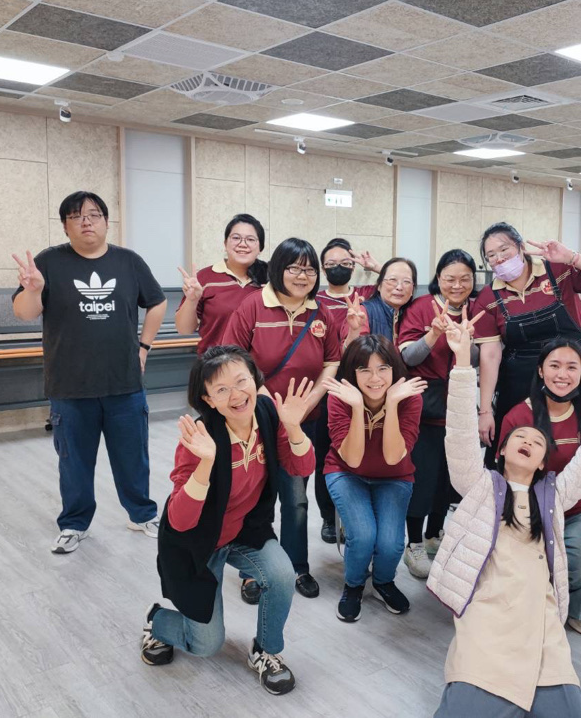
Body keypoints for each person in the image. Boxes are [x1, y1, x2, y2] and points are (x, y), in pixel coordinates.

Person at [427, 315, 581, 717]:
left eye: (537, 442)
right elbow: (460, 435)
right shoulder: (478, 485)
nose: (528, 440)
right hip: (488, 608)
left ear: (542, 463)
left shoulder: (553, 495)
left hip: (539, 611)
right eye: (520, 436)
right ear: (500, 451)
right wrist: (463, 362)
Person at [141, 346, 314, 696]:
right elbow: (180, 520)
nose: (236, 395)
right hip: (198, 545)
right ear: (208, 399)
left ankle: (265, 651)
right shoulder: (201, 437)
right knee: (206, 645)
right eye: (221, 389)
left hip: (245, 530)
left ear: (255, 380)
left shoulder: (267, 412)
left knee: (282, 574)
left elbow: (301, 467)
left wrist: (294, 427)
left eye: (241, 381)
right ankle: (157, 621)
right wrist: (206, 463)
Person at [12, 191, 167, 555]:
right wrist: (34, 289)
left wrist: (144, 347)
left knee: (133, 457)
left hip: (124, 382)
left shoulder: (128, 262)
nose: (86, 221)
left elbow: (157, 303)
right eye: (76, 216)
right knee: (74, 462)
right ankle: (74, 523)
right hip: (69, 386)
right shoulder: (49, 262)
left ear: (106, 222)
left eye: (94, 214)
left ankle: (142, 514)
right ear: (65, 225)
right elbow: (24, 312)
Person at [221, 238, 342, 602]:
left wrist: (307, 405)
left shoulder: (321, 312)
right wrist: (264, 403)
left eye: (309, 269)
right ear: (278, 269)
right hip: (255, 421)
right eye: (294, 268)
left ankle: (296, 566)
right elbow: (232, 360)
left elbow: (332, 362)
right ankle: (251, 571)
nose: (302, 276)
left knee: (296, 498)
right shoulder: (253, 306)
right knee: (254, 497)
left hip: (304, 422)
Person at [472, 223, 581, 463]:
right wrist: (485, 410)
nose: (499, 258)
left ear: (521, 247)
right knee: (517, 452)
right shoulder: (488, 298)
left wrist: (572, 257)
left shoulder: (556, 271)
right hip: (520, 382)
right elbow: (490, 356)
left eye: (504, 249)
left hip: (573, 375)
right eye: (491, 255)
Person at [500, 338, 581, 636]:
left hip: (576, 513)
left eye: (571, 367)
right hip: (529, 514)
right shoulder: (518, 416)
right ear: (541, 370)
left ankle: (577, 607)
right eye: (554, 366)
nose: (562, 375)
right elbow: (505, 479)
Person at [322, 335, 425, 622]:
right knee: (363, 535)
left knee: (391, 543)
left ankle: (383, 582)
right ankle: (354, 585)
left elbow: (393, 457)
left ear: (394, 369)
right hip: (346, 473)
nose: (375, 378)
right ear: (352, 373)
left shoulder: (409, 398)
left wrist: (391, 404)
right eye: (364, 370)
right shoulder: (340, 397)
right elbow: (353, 459)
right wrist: (357, 407)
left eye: (383, 368)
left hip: (394, 475)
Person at [396, 249, 482, 579]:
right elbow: (409, 358)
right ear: (438, 278)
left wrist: (467, 342)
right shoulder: (421, 307)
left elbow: (480, 359)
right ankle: (414, 543)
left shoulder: (477, 310)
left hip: (459, 409)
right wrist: (433, 333)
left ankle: (435, 535)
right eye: (450, 278)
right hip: (425, 411)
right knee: (423, 479)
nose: (457, 285)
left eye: (464, 279)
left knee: (449, 480)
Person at [312, 237, 380, 544]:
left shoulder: (365, 294)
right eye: (331, 263)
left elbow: (397, 284)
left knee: (362, 451)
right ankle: (329, 516)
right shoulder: (314, 299)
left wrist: (374, 267)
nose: (338, 267)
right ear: (322, 267)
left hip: (366, 388)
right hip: (326, 386)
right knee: (326, 454)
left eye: (345, 263)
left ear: (353, 267)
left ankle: (357, 515)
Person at [174, 214, 267, 355]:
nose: (243, 244)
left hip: (257, 367)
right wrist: (191, 300)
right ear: (225, 244)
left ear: (260, 247)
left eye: (250, 239)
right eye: (236, 238)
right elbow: (184, 330)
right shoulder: (205, 277)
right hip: (215, 364)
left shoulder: (271, 279)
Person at [342, 257, 418, 348]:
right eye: (392, 280)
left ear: (412, 289)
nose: (399, 287)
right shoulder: (363, 312)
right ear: (379, 286)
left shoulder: (415, 314)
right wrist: (354, 332)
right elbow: (350, 353)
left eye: (406, 282)